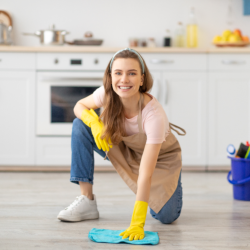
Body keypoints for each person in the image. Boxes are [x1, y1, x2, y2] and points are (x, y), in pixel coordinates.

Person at [57, 48, 186, 241]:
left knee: (166, 217)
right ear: (110, 77)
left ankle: (173, 184)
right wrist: (94, 123)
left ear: (142, 79)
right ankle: (87, 200)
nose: (124, 80)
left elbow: (146, 173)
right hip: (125, 147)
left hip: (158, 162)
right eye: (118, 73)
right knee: (80, 125)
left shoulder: (154, 115)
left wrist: (137, 221)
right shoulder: (107, 94)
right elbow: (79, 106)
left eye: (132, 73)